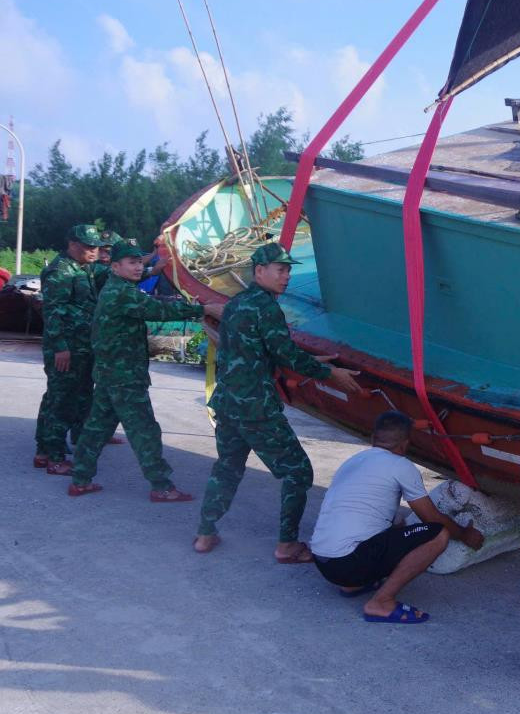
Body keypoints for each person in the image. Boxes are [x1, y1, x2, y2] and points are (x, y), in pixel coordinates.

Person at [195, 242, 362, 563]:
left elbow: (265, 349)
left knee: (227, 467)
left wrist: (312, 357)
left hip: (228, 403)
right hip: (256, 407)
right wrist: (330, 373)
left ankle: (205, 533)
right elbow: (284, 353)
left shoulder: (237, 303)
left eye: (289, 270)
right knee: (298, 472)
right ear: (260, 271)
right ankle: (287, 545)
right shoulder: (267, 307)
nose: (287, 276)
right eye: (281, 270)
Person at [68, 240, 223, 500]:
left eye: (140, 262)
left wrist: (154, 269)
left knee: (97, 428)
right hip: (124, 375)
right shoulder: (123, 293)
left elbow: (141, 293)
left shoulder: (116, 286)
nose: (138, 267)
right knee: (144, 431)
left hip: (110, 372)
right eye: (132, 263)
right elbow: (158, 310)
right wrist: (204, 308)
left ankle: (80, 479)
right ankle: (161, 486)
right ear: (115, 266)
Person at [309, 411, 486, 622]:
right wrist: (465, 534)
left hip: (324, 561)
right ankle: (381, 602)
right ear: (404, 445)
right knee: (438, 534)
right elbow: (430, 517)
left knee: (398, 525)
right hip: (349, 563)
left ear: (374, 438)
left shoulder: (353, 461)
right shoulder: (401, 466)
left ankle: (353, 586)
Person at [34, 224, 104, 474]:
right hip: (66, 348)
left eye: (95, 246)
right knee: (62, 401)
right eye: (88, 246)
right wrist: (61, 348)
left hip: (81, 346)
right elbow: (52, 312)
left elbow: (113, 271)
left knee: (58, 397)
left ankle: (43, 450)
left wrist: (152, 263)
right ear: (72, 244)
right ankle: (54, 457)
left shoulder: (83, 267)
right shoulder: (60, 271)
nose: (93, 250)